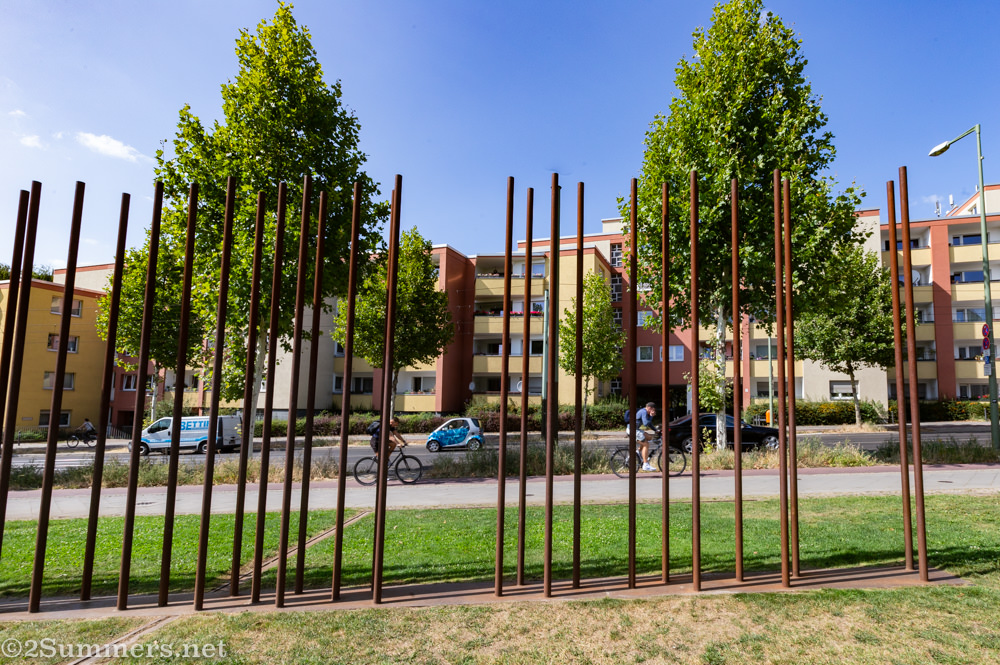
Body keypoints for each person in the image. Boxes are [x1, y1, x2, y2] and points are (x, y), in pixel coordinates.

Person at [627, 403, 658, 471]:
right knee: (646, 444)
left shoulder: (644, 412)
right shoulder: (644, 412)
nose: (654, 412)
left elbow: (649, 424)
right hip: (632, 430)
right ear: (649, 408)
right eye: (653, 410)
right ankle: (645, 464)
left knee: (649, 437)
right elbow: (646, 423)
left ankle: (638, 451)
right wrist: (651, 416)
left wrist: (656, 430)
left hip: (635, 429)